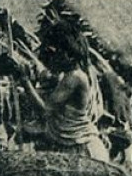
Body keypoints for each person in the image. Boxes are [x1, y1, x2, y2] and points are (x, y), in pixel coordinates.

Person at [23, 23, 109, 161]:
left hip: (82, 147)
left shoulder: (74, 77)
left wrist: (24, 81)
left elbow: (45, 110)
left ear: (67, 54)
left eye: (56, 54)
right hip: (70, 143)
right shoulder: (67, 76)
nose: (53, 59)